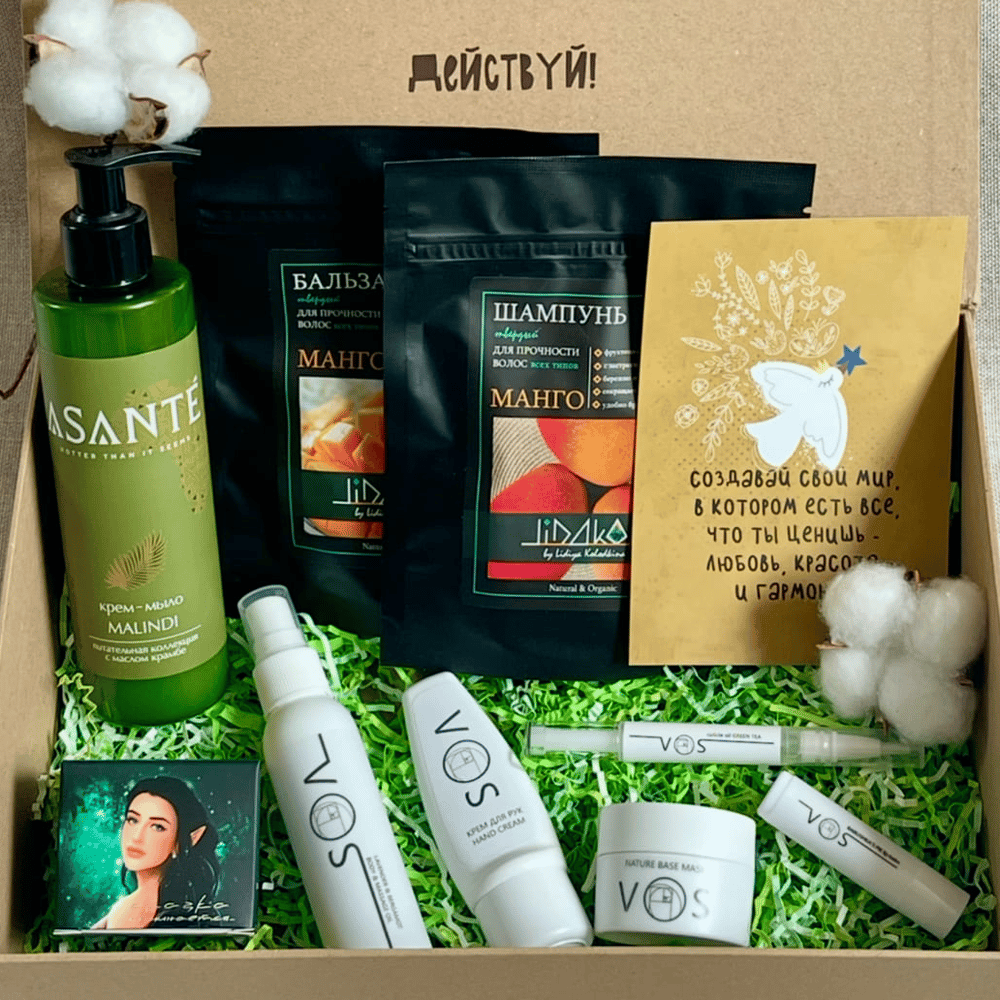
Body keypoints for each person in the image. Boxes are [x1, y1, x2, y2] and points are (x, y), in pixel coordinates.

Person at [91, 775, 219, 930]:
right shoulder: (120, 908)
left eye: (158, 827)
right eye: (133, 820)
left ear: (181, 842)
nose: (137, 837)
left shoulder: (187, 919)